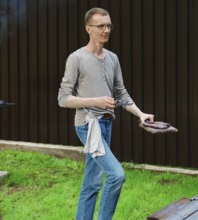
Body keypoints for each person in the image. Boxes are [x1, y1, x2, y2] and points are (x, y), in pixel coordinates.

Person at [57, 7, 154, 220]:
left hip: (107, 124)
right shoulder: (77, 58)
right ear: (88, 29)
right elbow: (63, 99)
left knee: (91, 183)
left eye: (109, 25)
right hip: (88, 125)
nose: (106, 30)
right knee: (116, 175)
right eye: (101, 26)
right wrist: (96, 101)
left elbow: (120, 93)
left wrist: (140, 114)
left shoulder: (112, 58)